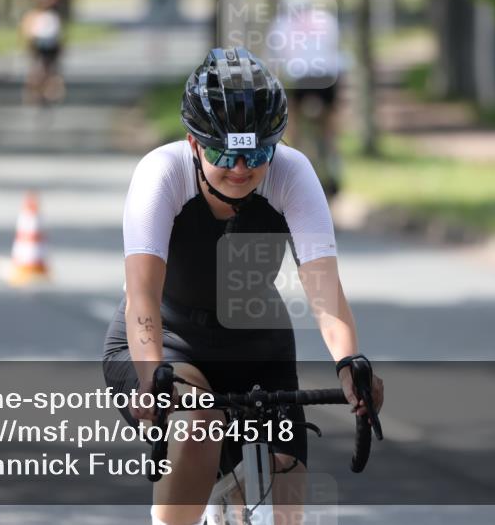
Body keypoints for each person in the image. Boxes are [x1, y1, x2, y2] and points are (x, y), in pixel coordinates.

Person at [103, 47, 383, 525]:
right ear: (193, 144)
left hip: (256, 342)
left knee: (287, 508)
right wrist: (151, 376)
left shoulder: (293, 173)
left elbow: (324, 289)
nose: (239, 166)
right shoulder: (161, 174)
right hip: (168, 339)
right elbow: (143, 294)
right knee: (197, 430)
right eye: (222, 152)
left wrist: (348, 362)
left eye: (256, 152)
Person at [267, 0, 344, 198]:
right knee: (329, 127)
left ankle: (294, 162)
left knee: (292, 122)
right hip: (327, 76)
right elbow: (334, 48)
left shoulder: (282, 23)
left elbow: (278, 59)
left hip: (299, 77)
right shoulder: (326, 19)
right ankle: (335, 166)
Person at [20, 0, 66, 106]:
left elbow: (59, 33)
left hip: (51, 45)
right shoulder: (34, 15)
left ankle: (49, 92)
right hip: (38, 44)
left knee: (51, 69)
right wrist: (29, 44)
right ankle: (34, 92)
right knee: (37, 70)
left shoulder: (54, 15)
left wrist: (61, 46)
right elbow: (27, 30)